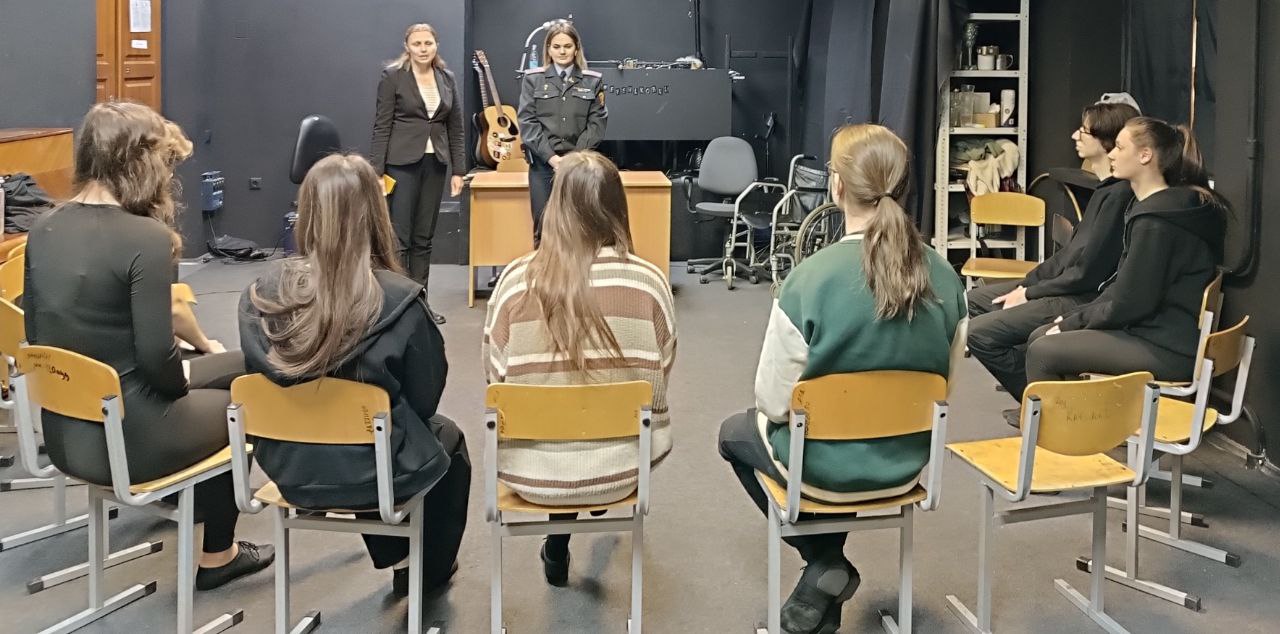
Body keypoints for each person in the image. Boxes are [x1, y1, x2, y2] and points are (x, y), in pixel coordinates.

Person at [718, 124, 965, 634]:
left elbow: (773, 402)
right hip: (906, 463)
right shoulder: (947, 277)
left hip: (825, 468)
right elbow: (945, 389)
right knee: (831, 432)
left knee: (734, 434)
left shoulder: (810, 278)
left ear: (836, 186)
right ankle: (824, 574)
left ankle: (825, 562)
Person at [23, 101, 273, 590]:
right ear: (140, 162)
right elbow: (160, 368)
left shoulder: (43, 228)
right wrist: (189, 371)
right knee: (245, 400)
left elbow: (37, 334)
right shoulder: (147, 239)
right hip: (132, 438)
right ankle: (218, 555)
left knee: (241, 363)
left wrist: (193, 363)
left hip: (67, 434)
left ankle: (190, 494)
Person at [239, 153, 470, 597]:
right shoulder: (400, 299)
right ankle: (426, 572)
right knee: (442, 441)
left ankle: (399, 559)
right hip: (371, 470)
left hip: (288, 466)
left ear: (308, 211)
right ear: (375, 213)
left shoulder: (262, 295)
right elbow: (425, 401)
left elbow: (256, 375)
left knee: (366, 435)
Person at [482, 150, 675, 587]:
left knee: (556, 412)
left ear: (555, 206)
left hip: (530, 470)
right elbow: (660, 374)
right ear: (618, 205)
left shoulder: (514, 282)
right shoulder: (650, 283)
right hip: (624, 466)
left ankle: (558, 534)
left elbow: (495, 378)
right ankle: (587, 485)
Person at [1023, 117, 1226, 390]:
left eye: (1119, 147)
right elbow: (1123, 291)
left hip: (1165, 346)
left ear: (1145, 155)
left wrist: (1073, 322)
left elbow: (1130, 303)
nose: (1111, 154)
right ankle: (1074, 415)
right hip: (1155, 332)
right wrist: (1074, 319)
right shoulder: (1167, 209)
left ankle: (1058, 419)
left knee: (1043, 350)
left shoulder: (1157, 222)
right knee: (1041, 335)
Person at [967, 102, 1140, 412]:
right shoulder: (1106, 192)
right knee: (975, 300)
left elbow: (1086, 274)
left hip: (1079, 298)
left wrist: (1030, 292)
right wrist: (1029, 284)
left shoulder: (1119, 198)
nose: (1075, 136)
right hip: (1065, 287)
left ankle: (1043, 405)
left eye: (1084, 131)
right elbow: (1069, 258)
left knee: (978, 334)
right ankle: (1035, 382)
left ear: (1107, 141)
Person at [370, 22, 465, 325]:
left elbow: (456, 128)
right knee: (401, 239)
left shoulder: (446, 78)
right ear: (407, 47)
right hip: (401, 164)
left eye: (428, 43)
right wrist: (376, 171)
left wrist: (459, 170)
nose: (423, 49)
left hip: (435, 164)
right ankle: (398, 306)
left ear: (436, 45)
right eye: (417, 44)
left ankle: (420, 305)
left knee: (424, 238)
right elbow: (382, 125)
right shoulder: (393, 77)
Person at [517, 21, 607, 242]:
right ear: (548, 49)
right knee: (544, 226)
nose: (562, 51)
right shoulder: (533, 79)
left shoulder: (592, 81)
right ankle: (545, 266)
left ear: (576, 49)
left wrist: (573, 159)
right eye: (556, 46)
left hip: (579, 165)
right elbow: (527, 121)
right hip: (543, 164)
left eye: (567, 46)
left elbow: (597, 123)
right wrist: (552, 158)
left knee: (580, 226)